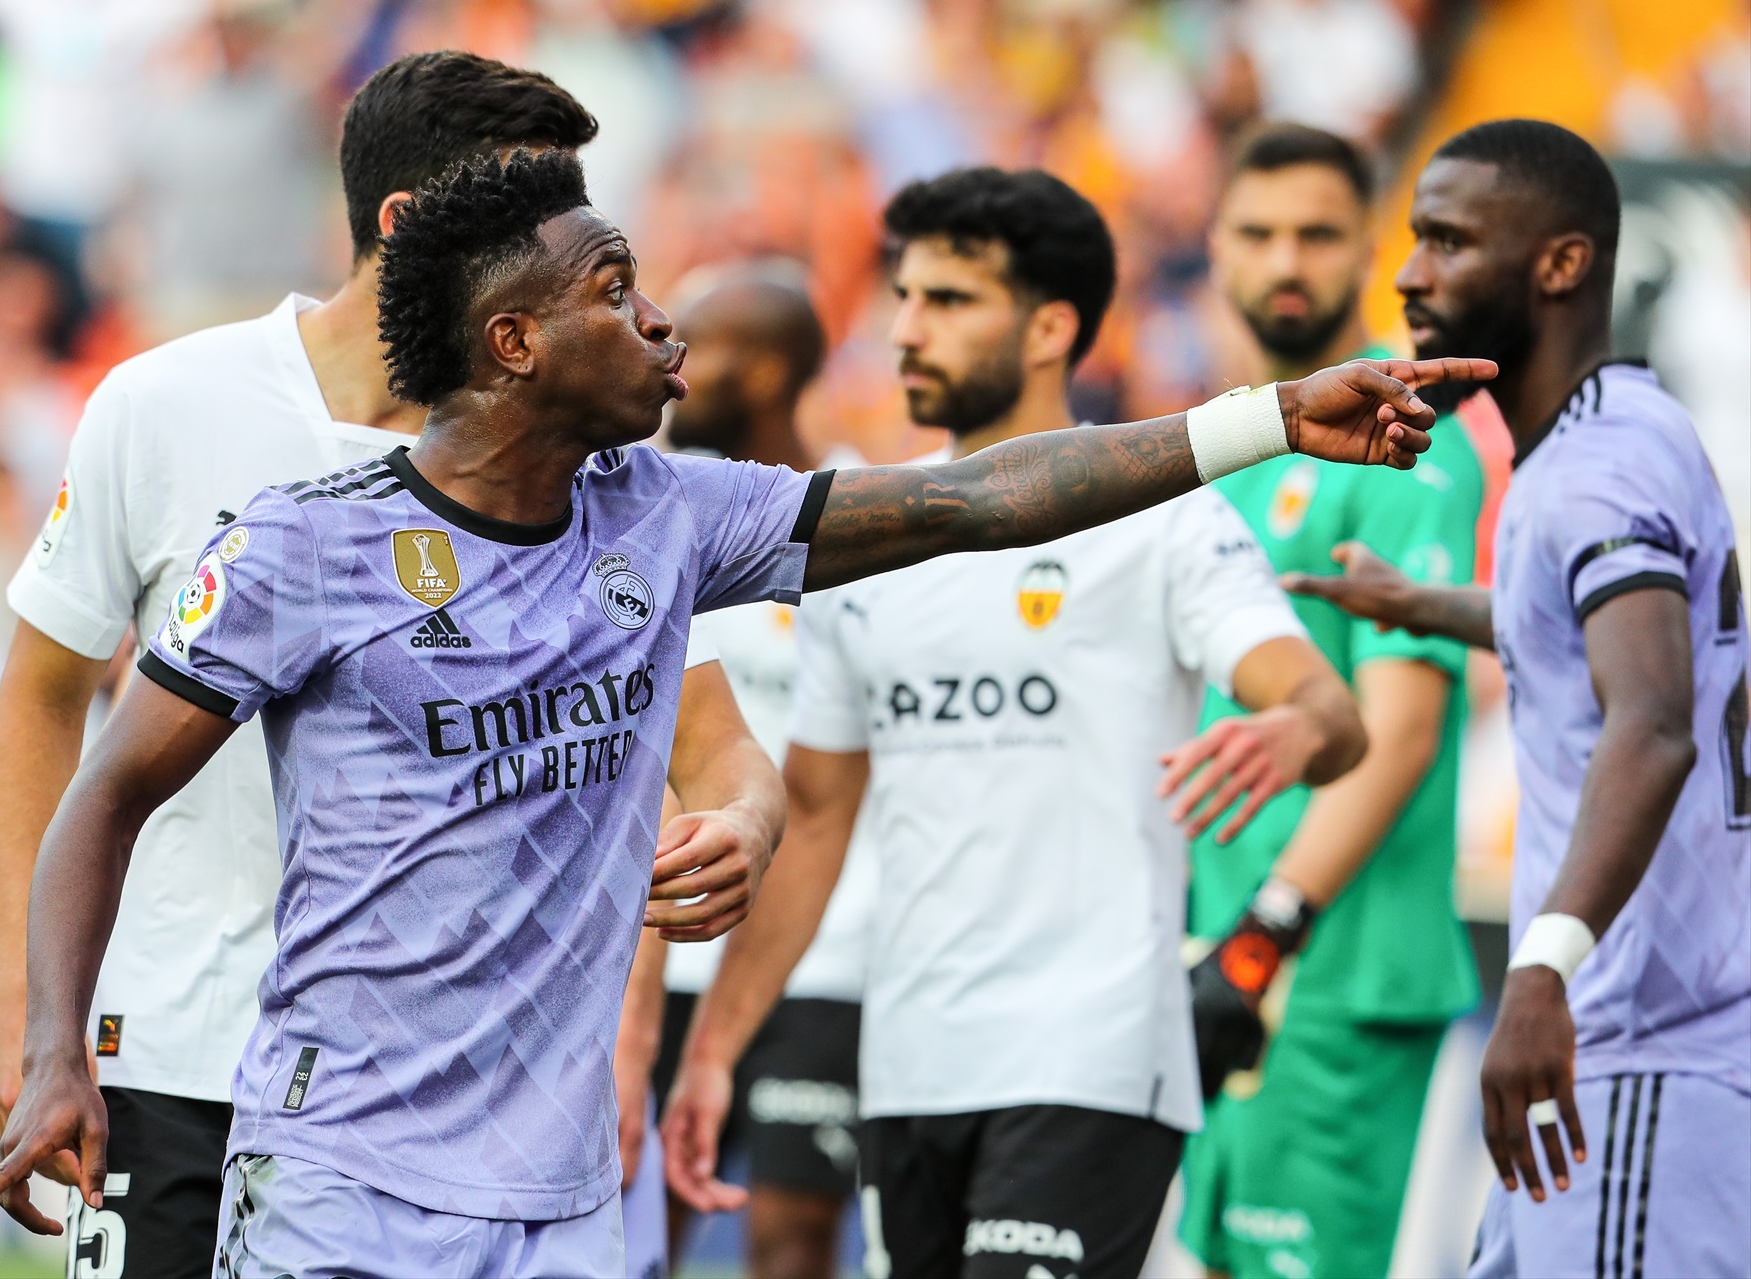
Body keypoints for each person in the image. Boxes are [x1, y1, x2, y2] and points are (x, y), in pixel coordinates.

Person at [0, 147, 1488, 1278]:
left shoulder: (663, 515)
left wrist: (1262, 421)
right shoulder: (305, 544)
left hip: (560, 1206)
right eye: (619, 296)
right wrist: (49, 1049)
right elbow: (104, 792)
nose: (669, 326)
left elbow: (969, 498)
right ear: (514, 344)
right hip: (340, 1184)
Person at [0, 50, 754, 1277]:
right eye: (521, 213)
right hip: (175, 1042)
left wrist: (740, 827)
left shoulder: (577, 468)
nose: (560, 246)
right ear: (408, 227)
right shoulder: (167, 403)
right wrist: (27, 1009)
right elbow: (41, 701)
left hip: (447, 1104)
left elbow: (712, 746)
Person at [659, 166, 1376, 1279]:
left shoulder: (1166, 523)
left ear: (1051, 327)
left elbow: (1330, 711)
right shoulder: (871, 540)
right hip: (909, 1065)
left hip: (1091, 1061)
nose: (906, 330)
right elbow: (813, 816)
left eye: (947, 301)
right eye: (903, 296)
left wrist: (1295, 733)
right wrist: (714, 1053)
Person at [1283, 118, 1750, 1279]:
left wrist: (1541, 970)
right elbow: (1616, 641)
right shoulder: (1613, 435)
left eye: (1447, 239)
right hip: (1620, 1046)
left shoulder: (1595, 468)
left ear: (1561, 264)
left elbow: (1651, 722)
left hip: (1644, 1044)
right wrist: (1434, 607)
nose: (1409, 271)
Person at [1176, 123, 1487, 1279]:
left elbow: (1399, 735)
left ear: (1370, 247)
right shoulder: (1229, 441)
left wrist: (1263, 938)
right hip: (1228, 960)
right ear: (1214, 248)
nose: (1285, 259)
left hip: (1324, 967)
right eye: (1258, 233)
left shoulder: (1398, 443)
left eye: (1317, 232)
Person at [657, 263, 877, 1278]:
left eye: (704, 349)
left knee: (790, 1242)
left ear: (776, 368)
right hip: (663, 951)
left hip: (822, 956)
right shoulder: (642, 518)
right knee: (637, 1224)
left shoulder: (867, 519)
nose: (671, 366)